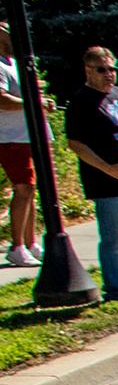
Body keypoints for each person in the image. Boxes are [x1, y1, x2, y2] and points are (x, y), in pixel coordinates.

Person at [65, 47, 118, 301]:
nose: (109, 74)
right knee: (116, 241)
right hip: (108, 183)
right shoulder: (81, 100)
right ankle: (116, 291)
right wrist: (107, 168)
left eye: (112, 69)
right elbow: (76, 143)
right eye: (102, 69)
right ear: (88, 70)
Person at [0, 22, 40, 266]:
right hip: (10, 137)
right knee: (23, 188)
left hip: (27, 134)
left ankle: (31, 243)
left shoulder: (14, 62)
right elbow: (1, 99)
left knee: (31, 189)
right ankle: (17, 247)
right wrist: (32, 103)